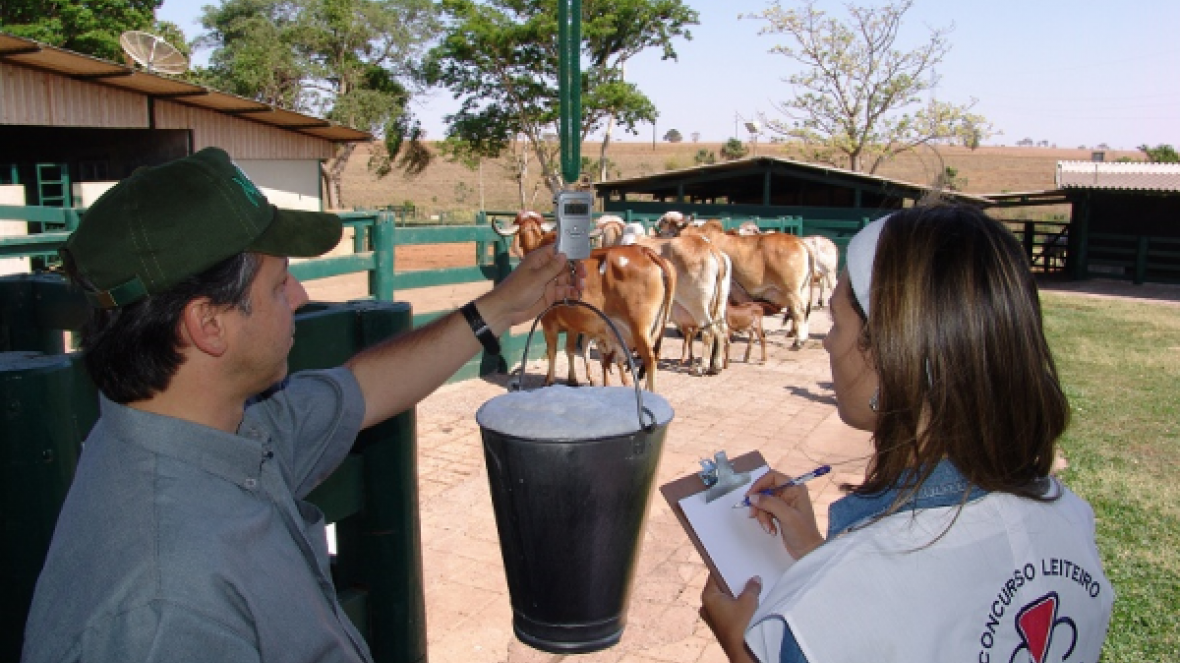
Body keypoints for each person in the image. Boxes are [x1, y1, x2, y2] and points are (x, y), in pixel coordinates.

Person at [21, 147, 584, 663]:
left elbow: (363, 389)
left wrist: (503, 306)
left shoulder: (221, 426)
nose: (300, 296)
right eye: (279, 284)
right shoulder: (167, 612)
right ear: (208, 325)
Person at [699, 205, 1113, 662]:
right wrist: (821, 556)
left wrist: (740, 646)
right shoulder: (1072, 519)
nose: (828, 342)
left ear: (890, 358)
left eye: (836, 322)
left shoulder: (831, 616)